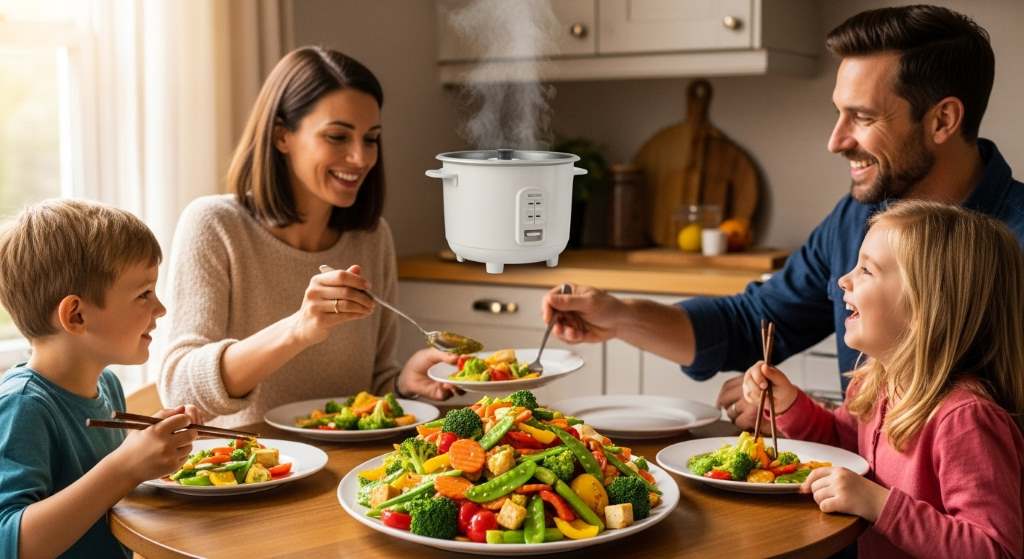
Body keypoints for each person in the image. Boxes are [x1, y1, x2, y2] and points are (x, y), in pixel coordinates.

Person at [543, 5, 1024, 429]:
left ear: (942, 120)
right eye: (839, 113)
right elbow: (749, 322)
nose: (835, 141)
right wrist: (620, 317)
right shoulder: (855, 221)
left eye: (863, 117)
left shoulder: (1014, 239)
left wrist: (814, 415)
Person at [159, 46, 458, 427]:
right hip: (253, 474)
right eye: (337, 137)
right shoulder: (215, 226)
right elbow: (179, 389)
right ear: (282, 135)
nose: (360, 157)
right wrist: (298, 329)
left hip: (353, 474)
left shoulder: (370, 237)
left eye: (371, 139)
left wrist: (402, 383)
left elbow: (371, 387)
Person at [742, 201, 1024, 557]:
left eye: (866, 271)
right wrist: (791, 406)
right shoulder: (873, 386)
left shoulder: (965, 420)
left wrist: (879, 504)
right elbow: (844, 451)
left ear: (923, 307)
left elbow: (996, 549)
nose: (844, 280)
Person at [0, 199, 200, 558]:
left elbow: (108, 501)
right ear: (76, 315)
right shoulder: (23, 406)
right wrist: (124, 466)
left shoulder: (107, 385)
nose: (161, 309)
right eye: (143, 294)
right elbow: (10, 543)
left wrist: (153, 454)